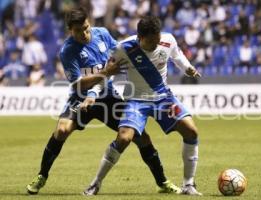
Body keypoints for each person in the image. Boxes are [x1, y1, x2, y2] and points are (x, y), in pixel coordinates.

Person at [26, 8, 180, 195]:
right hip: (81, 99)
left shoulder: (103, 34)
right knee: (61, 130)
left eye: (86, 28)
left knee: (141, 137)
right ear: (69, 30)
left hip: (108, 97)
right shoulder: (68, 51)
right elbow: (77, 85)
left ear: (89, 23)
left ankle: (162, 182)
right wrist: (106, 72)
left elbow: (123, 54)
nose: (84, 34)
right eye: (78, 31)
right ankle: (42, 175)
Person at [84, 16, 202, 196]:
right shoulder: (124, 49)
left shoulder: (167, 40)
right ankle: (95, 184)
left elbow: (177, 56)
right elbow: (106, 75)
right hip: (136, 101)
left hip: (164, 99)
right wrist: (92, 94)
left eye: (158, 39)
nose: (156, 44)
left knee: (191, 130)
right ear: (140, 37)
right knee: (124, 138)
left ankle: (188, 185)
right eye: (152, 41)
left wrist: (188, 68)